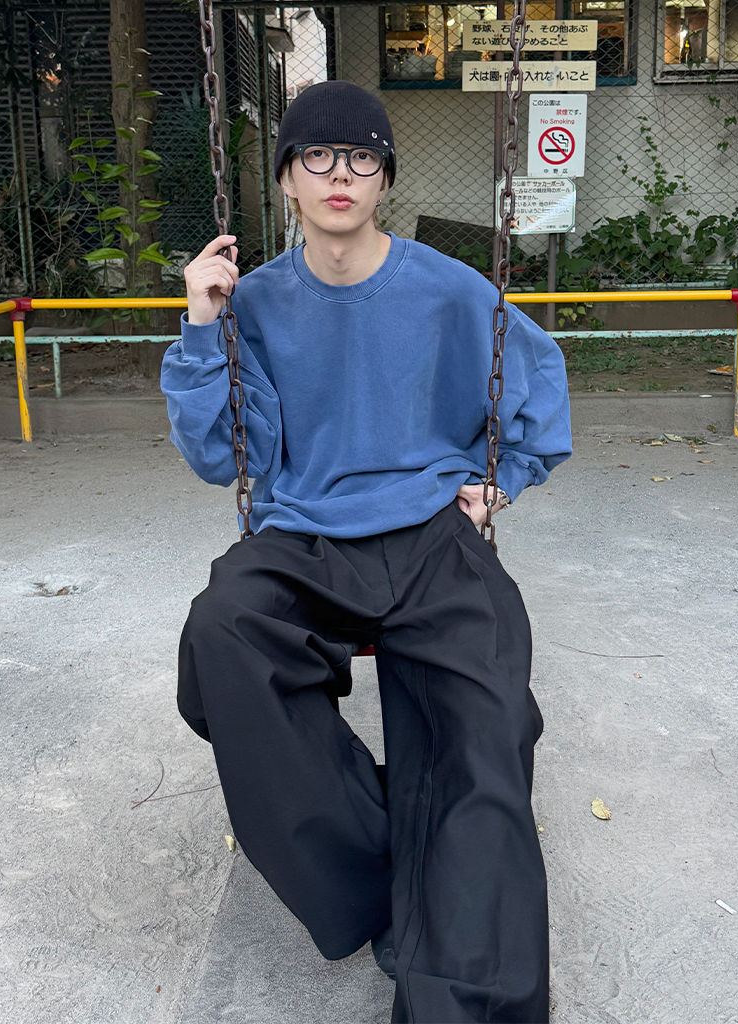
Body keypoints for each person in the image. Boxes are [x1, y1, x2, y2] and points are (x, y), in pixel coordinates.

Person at [160, 80, 571, 1024]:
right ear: (287, 179)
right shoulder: (253, 301)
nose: (339, 174)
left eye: (362, 158)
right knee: (220, 639)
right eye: (318, 156)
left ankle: (468, 998)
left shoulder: (450, 288)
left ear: (384, 178)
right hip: (305, 532)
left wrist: (501, 480)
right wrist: (202, 324)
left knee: (487, 719)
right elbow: (223, 456)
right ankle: (386, 870)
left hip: (431, 531)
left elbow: (536, 386)